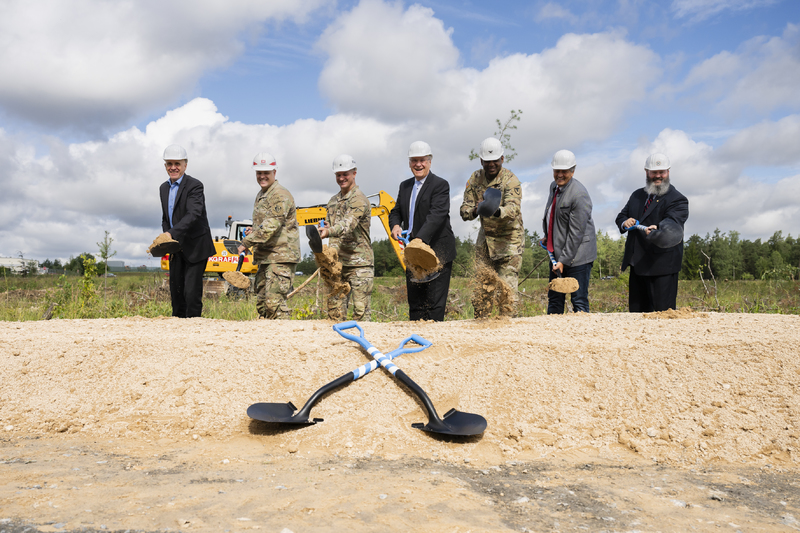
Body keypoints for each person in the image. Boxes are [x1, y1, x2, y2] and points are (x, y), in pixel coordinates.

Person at [389, 141, 456, 321]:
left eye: (422, 160)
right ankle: (416, 342)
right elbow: (396, 211)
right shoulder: (405, 186)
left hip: (437, 251)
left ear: (430, 161)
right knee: (416, 304)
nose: (418, 164)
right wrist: (395, 225)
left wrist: (419, 240)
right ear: (409, 163)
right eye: (414, 160)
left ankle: (433, 343)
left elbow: (437, 215)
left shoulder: (440, 185)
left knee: (434, 305)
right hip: (413, 254)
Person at [615, 153, 689, 312]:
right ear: (646, 172)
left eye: (662, 172)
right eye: (654, 172)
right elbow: (622, 215)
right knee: (636, 316)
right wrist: (624, 222)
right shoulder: (637, 195)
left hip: (661, 268)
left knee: (662, 317)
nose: (658, 176)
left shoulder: (677, 199)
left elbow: (673, 222)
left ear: (668, 172)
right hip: (637, 266)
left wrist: (661, 229)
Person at [460, 137, 524, 317]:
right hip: (486, 241)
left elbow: (513, 210)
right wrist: (475, 209)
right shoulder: (474, 179)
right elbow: (464, 210)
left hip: (509, 242)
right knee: (482, 292)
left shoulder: (511, 180)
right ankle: (482, 332)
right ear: (481, 161)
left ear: (502, 159)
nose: (491, 165)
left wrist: (495, 211)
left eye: (495, 160)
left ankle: (508, 333)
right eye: (487, 161)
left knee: (507, 294)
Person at [238, 153, 300, 319]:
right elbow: (264, 226)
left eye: (266, 172)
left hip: (280, 258)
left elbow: (270, 227)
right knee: (263, 304)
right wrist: (254, 231)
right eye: (259, 172)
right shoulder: (262, 194)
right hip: (266, 257)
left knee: (275, 304)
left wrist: (246, 242)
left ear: (274, 172)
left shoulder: (279, 195)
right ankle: (269, 343)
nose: (262, 176)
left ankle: (284, 342)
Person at [158, 144, 215, 318]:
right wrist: (167, 239)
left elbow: (194, 214)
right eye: (169, 163)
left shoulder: (195, 186)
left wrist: (171, 234)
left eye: (177, 163)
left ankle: (195, 331)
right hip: (177, 249)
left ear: (185, 165)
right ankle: (178, 333)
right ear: (165, 165)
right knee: (176, 294)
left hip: (196, 247)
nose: (173, 167)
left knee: (191, 294)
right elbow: (166, 217)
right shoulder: (163, 188)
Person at [317, 154, 374, 321]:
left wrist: (329, 231)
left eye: (345, 174)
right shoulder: (333, 201)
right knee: (335, 314)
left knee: (361, 315)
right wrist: (326, 228)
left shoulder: (359, 199)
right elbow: (332, 224)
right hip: (338, 266)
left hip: (359, 265)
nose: (341, 178)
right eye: (338, 175)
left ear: (354, 173)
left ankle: (362, 347)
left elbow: (348, 224)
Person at [541, 149, 596, 314]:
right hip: (558, 253)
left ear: (573, 170)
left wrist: (563, 260)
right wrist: (548, 238)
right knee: (555, 299)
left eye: (564, 171)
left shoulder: (579, 194)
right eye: (557, 170)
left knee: (578, 301)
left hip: (578, 256)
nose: (560, 174)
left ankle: (581, 337)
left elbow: (576, 233)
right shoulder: (554, 187)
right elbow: (554, 217)